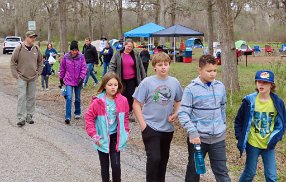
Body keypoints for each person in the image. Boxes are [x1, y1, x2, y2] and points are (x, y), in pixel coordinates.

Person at [178, 55, 231, 182]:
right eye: (209, 71)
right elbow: (183, 113)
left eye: (215, 70)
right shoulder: (191, 89)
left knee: (222, 171)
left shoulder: (220, 86)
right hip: (198, 139)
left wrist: (222, 125)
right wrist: (192, 131)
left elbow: (222, 108)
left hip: (218, 137)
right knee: (194, 170)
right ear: (199, 70)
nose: (212, 74)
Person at [132, 52, 183, 181]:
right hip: (151, 127)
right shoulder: (147, 82)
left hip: (167, 128)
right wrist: (144, 126)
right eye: (160, 65)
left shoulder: (174, 82)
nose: (163, 67)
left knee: (163, 160)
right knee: (154, 158)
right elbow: (136, 104)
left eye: (166, 64)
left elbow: (179, 100)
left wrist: (176, 113)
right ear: (154, 66)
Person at [234, 70, 286, 182]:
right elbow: (238, 121)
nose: (261, 85)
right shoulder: (249, 101)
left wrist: (276, 138)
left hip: (268, 145)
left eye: (265, 82)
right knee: (249, 173)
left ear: (271, 85)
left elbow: (282, 124)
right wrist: (240, 136)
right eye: (258, 81)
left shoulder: (278, 102)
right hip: (253, 143)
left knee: (272, 176)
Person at [85, 72, 130, 182]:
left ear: (119, 85)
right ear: (104, 86)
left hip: (115, 138)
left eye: (115, 84)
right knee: (104, 166)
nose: (113, 87)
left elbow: (126, 118)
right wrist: (94, 135)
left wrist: (126, 131)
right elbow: (88, 118)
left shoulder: (123, 100)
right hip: (102, 138)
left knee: (116, 165)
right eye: (110, 85)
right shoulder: (98, 102)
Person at [10, 31, 43, 127]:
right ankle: (21, 118)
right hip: (21, 77)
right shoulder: (19, 48)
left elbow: (40, 62)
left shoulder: (36, 48)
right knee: (22, 97)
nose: (33, 39)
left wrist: (38, 73)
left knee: (31, 97)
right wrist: (16, 75)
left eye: (34, 37)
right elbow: (12, 62)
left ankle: (29, 116)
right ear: (26, 37)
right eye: (31, 37)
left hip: (33, 77)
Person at [109, 38, 146, 122]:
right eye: (128, 46)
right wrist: (110, 75)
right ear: (124, 45)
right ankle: (120, 112)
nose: (130, 48)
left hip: (132, 79)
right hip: (121, 79)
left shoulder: (136, 54)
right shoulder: (118, 54)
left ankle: (129, 112)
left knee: (130, 95)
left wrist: (144, 78)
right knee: (121, 95)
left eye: (131, 47)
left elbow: (141, 67)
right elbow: (112, 65)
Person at [59, 40, 87, 124]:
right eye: (73, 50)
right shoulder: (65, 57)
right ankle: (67, 116)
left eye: (76, 50)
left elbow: (84, 68)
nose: (75, 52)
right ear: (70, 50)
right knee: (69, 98)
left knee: (77, 98)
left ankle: (77, 112)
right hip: (68, 80)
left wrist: (81, 78)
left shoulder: (81, 57)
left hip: (78, 80)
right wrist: (61, 79)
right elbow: (62, 69)